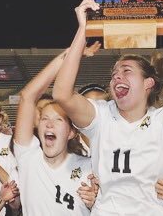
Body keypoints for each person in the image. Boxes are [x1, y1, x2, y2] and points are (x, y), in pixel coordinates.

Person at [53, 0, 163, 215]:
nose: (117, 76)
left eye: (127, 71)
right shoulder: (101, 116)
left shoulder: (161, 122)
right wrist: (83, 30)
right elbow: (62, 94)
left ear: (148, 83)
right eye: (114, 74)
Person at [13, 42, 101, 215]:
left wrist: (95, 204)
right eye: (44, 118)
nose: (49, 124)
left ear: (71, 132)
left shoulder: (89, 166)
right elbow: (27, 96)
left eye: (58, 120)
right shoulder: (28, 157)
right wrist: (70, 54)